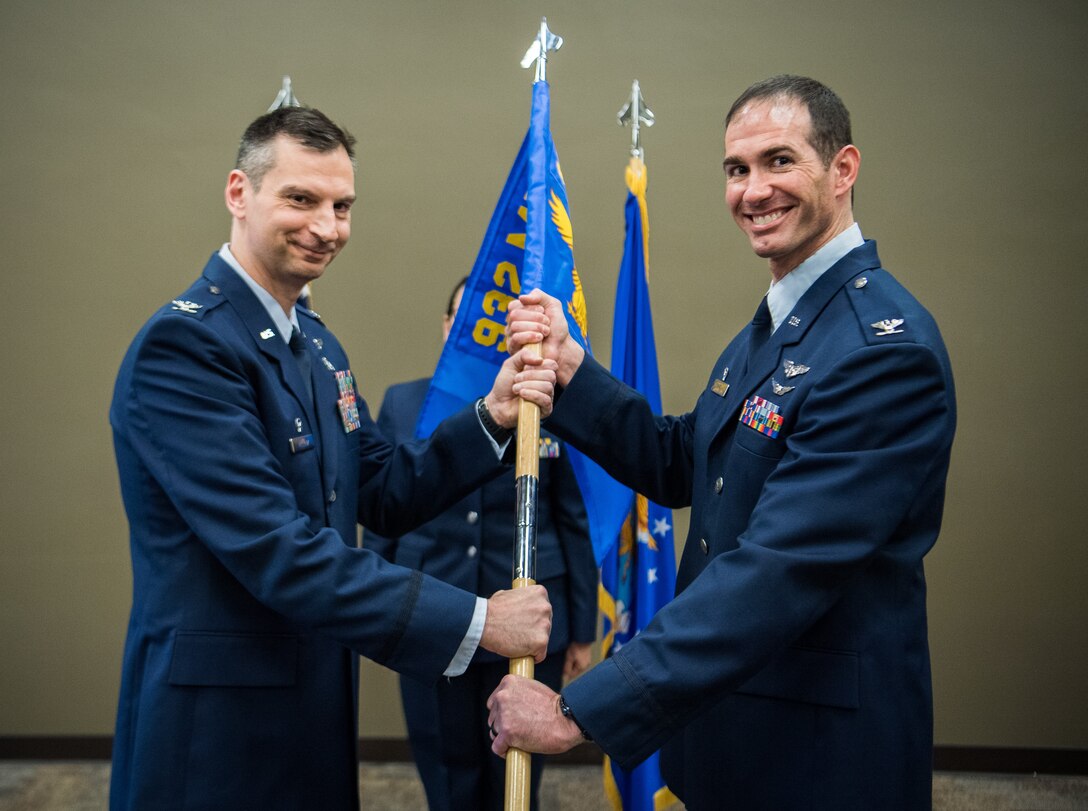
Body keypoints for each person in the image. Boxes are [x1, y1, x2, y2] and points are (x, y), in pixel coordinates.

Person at [489, 75, 957, 810]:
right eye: (737, 170)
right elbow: (689, 463)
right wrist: (575, 373)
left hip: (815, 758)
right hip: (734, 730)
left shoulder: (878, 351)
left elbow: (778, 569)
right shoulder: (779, 324)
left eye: (779, 161)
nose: (753, 190)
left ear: (843, 169)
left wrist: (583, 706)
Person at [108, 106, 557, 811]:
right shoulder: (186, 350)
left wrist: (493, 416)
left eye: (342, 205)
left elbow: (382, 486)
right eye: (301, 198)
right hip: (218, 731)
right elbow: (278, 549)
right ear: (238, 193)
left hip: (312, 704)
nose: (327, 226)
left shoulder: (316, 347)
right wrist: (477, 621)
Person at [365, 276, 598, 811]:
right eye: (462, 318)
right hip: (433, 611)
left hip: (528, 622)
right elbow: (381, 512)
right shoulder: (403, 402)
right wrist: (376, 615)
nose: (472, 329)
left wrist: (581, 629)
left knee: (515, 775)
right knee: (447, 772)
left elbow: (572, 520)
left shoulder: (543, 403)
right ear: (447, 327)